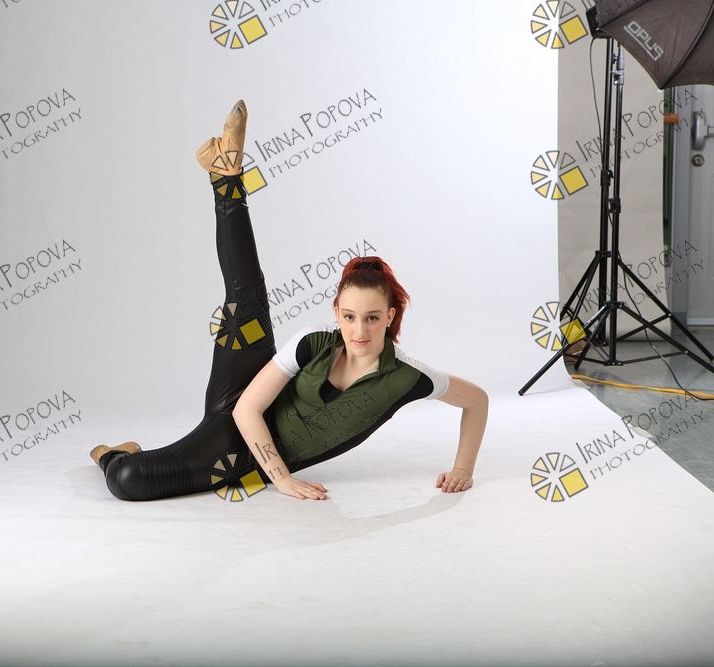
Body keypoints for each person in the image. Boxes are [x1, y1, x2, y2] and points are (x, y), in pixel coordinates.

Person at [91, 100, 489, 502]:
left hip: (236, 453)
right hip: (240, 405)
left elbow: (477, 401)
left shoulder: (407, 376)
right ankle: (226, 176)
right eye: (349, 316)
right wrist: (282, 480)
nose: (359, 330)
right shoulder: (312, 343)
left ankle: (110, 454)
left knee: (128, 479)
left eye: (371, 318)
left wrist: (462, 469)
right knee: (245, 304)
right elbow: (246, 410)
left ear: (389, 316)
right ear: (337, 313)